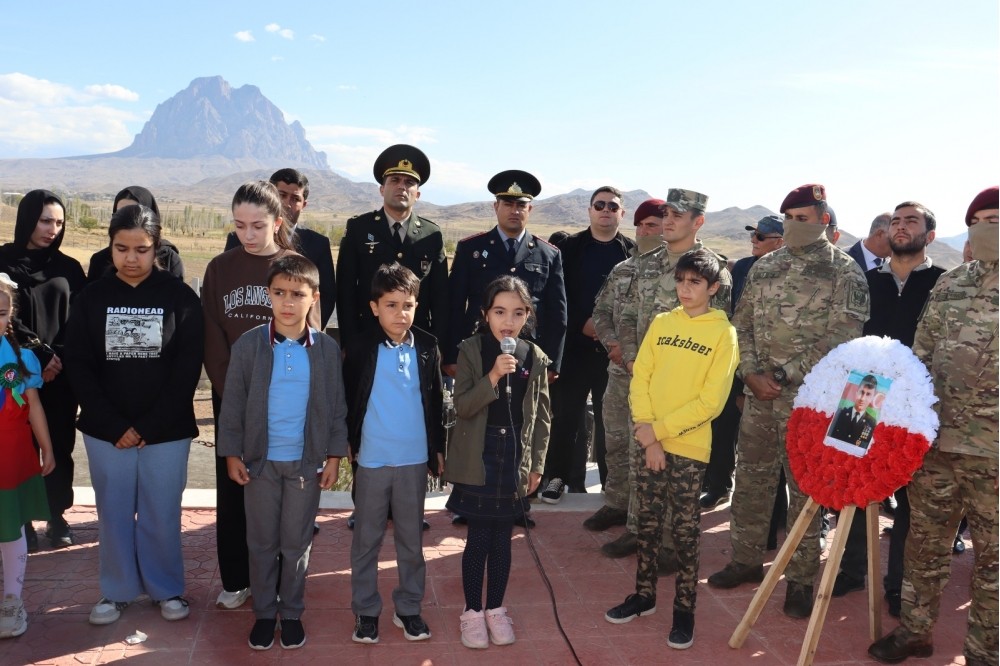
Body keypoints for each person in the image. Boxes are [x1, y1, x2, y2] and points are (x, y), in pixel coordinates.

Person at [707, 183, 869, 620]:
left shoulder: (845, 271)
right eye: (789, 219)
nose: (796, 225)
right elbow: (742, 324)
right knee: (753, 481)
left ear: (823, 220)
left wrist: (780, 374)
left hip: (810, 400)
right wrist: (751, 374)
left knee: (805, 491)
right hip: (760, 397)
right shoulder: (765, 267)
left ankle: (799, 579)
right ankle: (744, 559)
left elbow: (843, 337)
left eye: (804, 218)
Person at [869, 187, 998, 666]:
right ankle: (915, 633)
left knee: (993, 563)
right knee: (924, 547)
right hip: (939, 445)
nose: (988, 228)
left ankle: (986, 651)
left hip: (994, 455)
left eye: (996, 219)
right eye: (980, 220)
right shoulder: (952, 284)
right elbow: (921, 353)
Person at [64, 204, 204, 626]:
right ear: (110, 248)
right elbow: (80, 367)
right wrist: (114, 426)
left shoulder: (180, 298)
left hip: (166, 431)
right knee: (114, 511)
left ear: (156, 247)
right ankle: (117, 590)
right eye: (121, 248)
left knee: (163, 511)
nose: (130, 258)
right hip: (107, 433)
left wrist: (148, 426)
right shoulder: (90, 299)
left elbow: (187, 368)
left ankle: (167, 589)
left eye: (141, 249)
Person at [605, 249, 738, 650]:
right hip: (650, 441)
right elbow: (641, 375)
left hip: (688, 447)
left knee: (683, 533)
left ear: (713, 288)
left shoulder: (723, 332)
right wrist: (648, 434)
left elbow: (711, 402)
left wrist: (658, 433)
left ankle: (684, 610)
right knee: (646, 524)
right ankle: (643, 596)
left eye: (695, 282)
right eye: (681, 281)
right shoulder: (662, 323)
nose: (686, 289)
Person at [217, 255, 348, 651]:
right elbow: (233, 404)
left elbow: (337, 406)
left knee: (296, 542)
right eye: (279, 293)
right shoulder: (249, 345)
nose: (287, 302)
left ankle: (290, 613)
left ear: (314, 299)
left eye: (297, 294)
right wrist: (232, 454)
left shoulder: (325, 349)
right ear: (268, 295)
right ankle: (263, 614)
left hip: (306, 465)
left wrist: (334, 457)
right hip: (259, 464)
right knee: (260, 542)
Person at [831, 200, 945, 609]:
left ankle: (898, 585)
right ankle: (851, 570)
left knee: (911, 498)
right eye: (895, 220)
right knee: (854, 484)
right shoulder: (863, 280)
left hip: (916, 402)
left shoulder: (942, 283)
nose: (900, 226)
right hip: (863, 394)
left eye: (910, 221)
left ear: (928, 235)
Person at [203, 181, 307, 611]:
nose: (248, 234)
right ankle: (236, 578)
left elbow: (307, 334)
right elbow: (210, 336)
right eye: (240, 225)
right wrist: (237, 395)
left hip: (283, 402)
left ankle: (283, 579)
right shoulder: (219, 268)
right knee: (233, 490)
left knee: (281, 493)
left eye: (258, 225)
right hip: (232, 399)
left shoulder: (295, 267)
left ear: (278, 222)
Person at [615, 188, 731, 573]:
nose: (668, 220)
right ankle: (639, 531)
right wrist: (634, 361)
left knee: (676, 478)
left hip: (687, 395)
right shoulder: (645, 264)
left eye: (678, 215)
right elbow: (628, 315)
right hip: (645, 382)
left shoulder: (715, 271)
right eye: (666, 213)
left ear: (698, 221)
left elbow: (718, 333)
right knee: (642, 464)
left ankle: (668, 545)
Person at [444, 275, 550, 649]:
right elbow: (463, 405)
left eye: (518, 313)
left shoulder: (533, 356)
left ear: (527, 316)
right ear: (485, 313)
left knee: (504, 538)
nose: (509, 321)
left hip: (515, 457)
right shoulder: (472, 350)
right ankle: (472, 612)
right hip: (480, 454)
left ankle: (496, 609)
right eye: (500, 311)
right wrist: (493, 375)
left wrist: (536, 464)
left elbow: (541, 416)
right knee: (478, 537)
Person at [345, 263, 445, 645]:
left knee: (410, 541)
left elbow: (434, 401)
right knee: (366, 540)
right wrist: (346, 445)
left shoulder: (427, 346)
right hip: (371, 459)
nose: (400, 313)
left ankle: (409, 608)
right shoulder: (359, 346)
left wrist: (437, 451)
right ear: (374, 307)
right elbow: (348, 399)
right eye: (391, 304)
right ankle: (366, 611)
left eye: (408, 305)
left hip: (413, 460)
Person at [0, 190, 86, 551]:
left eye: (59, 222)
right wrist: (38, 352)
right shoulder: (4, 260)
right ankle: (23, 519)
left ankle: (56, 514)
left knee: (59, 444)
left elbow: (80, 318)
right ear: (28, 219)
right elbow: (6, 314)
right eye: (45, 220)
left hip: (60, 375)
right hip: (14, 370)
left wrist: (57, 358)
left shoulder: (68, 267)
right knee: (19, 445)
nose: (52, 229)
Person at [542, 187, 635, 505]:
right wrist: (582, 321)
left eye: (613, 206)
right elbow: (557, 293)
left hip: (617, 353)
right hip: (575, 349)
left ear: (622, 214)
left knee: (613, 421)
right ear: (590, 210)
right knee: (566, 417)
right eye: (600, 205)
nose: (606, 210)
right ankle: (555, 479)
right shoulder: (568, 248)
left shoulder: (633, 253)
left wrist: (612, 332)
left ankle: (613, 484)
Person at [591, 199, 664, 551]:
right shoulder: (623, 269)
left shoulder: (676, 272)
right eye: (644, 225)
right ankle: (617, 503)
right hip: (619, 374)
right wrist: (613, 345)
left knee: (644, 450)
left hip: (655, 381)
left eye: (656, 225)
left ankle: (641, 522)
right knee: (616, 442)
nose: (649, 231)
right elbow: (601, 312)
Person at [700, 214, 786, 511]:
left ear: (781, 241)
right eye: (753, 235)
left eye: (761, 237)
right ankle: (719, 486)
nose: (754, 240)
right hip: (737, 361)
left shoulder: (791, 272)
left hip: (777, 372)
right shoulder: (742, 269)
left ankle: (777, 510)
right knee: (723, 429)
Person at [445, 170, 566, 379]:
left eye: (521, 205)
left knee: (525, 410)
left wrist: (553, 362)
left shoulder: (548, 254)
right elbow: (454, 305)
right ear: (496, 207)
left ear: (530, 209)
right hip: (478, 347)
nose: (515, 211)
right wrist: (451, 355)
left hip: (529, 351)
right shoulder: (470, 249)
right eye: (508, 204)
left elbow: (558, 313)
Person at [336, 145, 447, 350]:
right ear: (382, 188)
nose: (402, 187)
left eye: (409, 182)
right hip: (367, 338)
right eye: (394, 180)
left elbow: (440, 297)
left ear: (418, 194)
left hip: (417, 339)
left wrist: (436, 345)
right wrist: (349, 343)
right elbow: (346, 290)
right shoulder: (359, 228)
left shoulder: (432, 234)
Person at [0, 274, 55, 639]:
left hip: (11, 456)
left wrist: (47, 447)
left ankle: (11, 599)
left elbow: (32, 404)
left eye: (1, 312)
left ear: (11, 315)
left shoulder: (22, 358)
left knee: (10, 526)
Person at [226, 169, 336, 328]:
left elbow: (325, 297)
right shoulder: (238, 239)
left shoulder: (318, 244)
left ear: (304, 204)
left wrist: (307, 334)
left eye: (295, 198)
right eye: (282, 195)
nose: (286, 203)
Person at [88, 186, 184, 282]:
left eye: (142, 250)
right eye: (120, 213)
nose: (131, 259)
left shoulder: (169, 258)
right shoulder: (99, 260)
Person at [827, 374, 878, 448]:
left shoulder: (871, 422)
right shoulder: (840, 413)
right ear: (856, 392)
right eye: (862, 392)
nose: (863, 398)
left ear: (872, 398)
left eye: (868, 394)